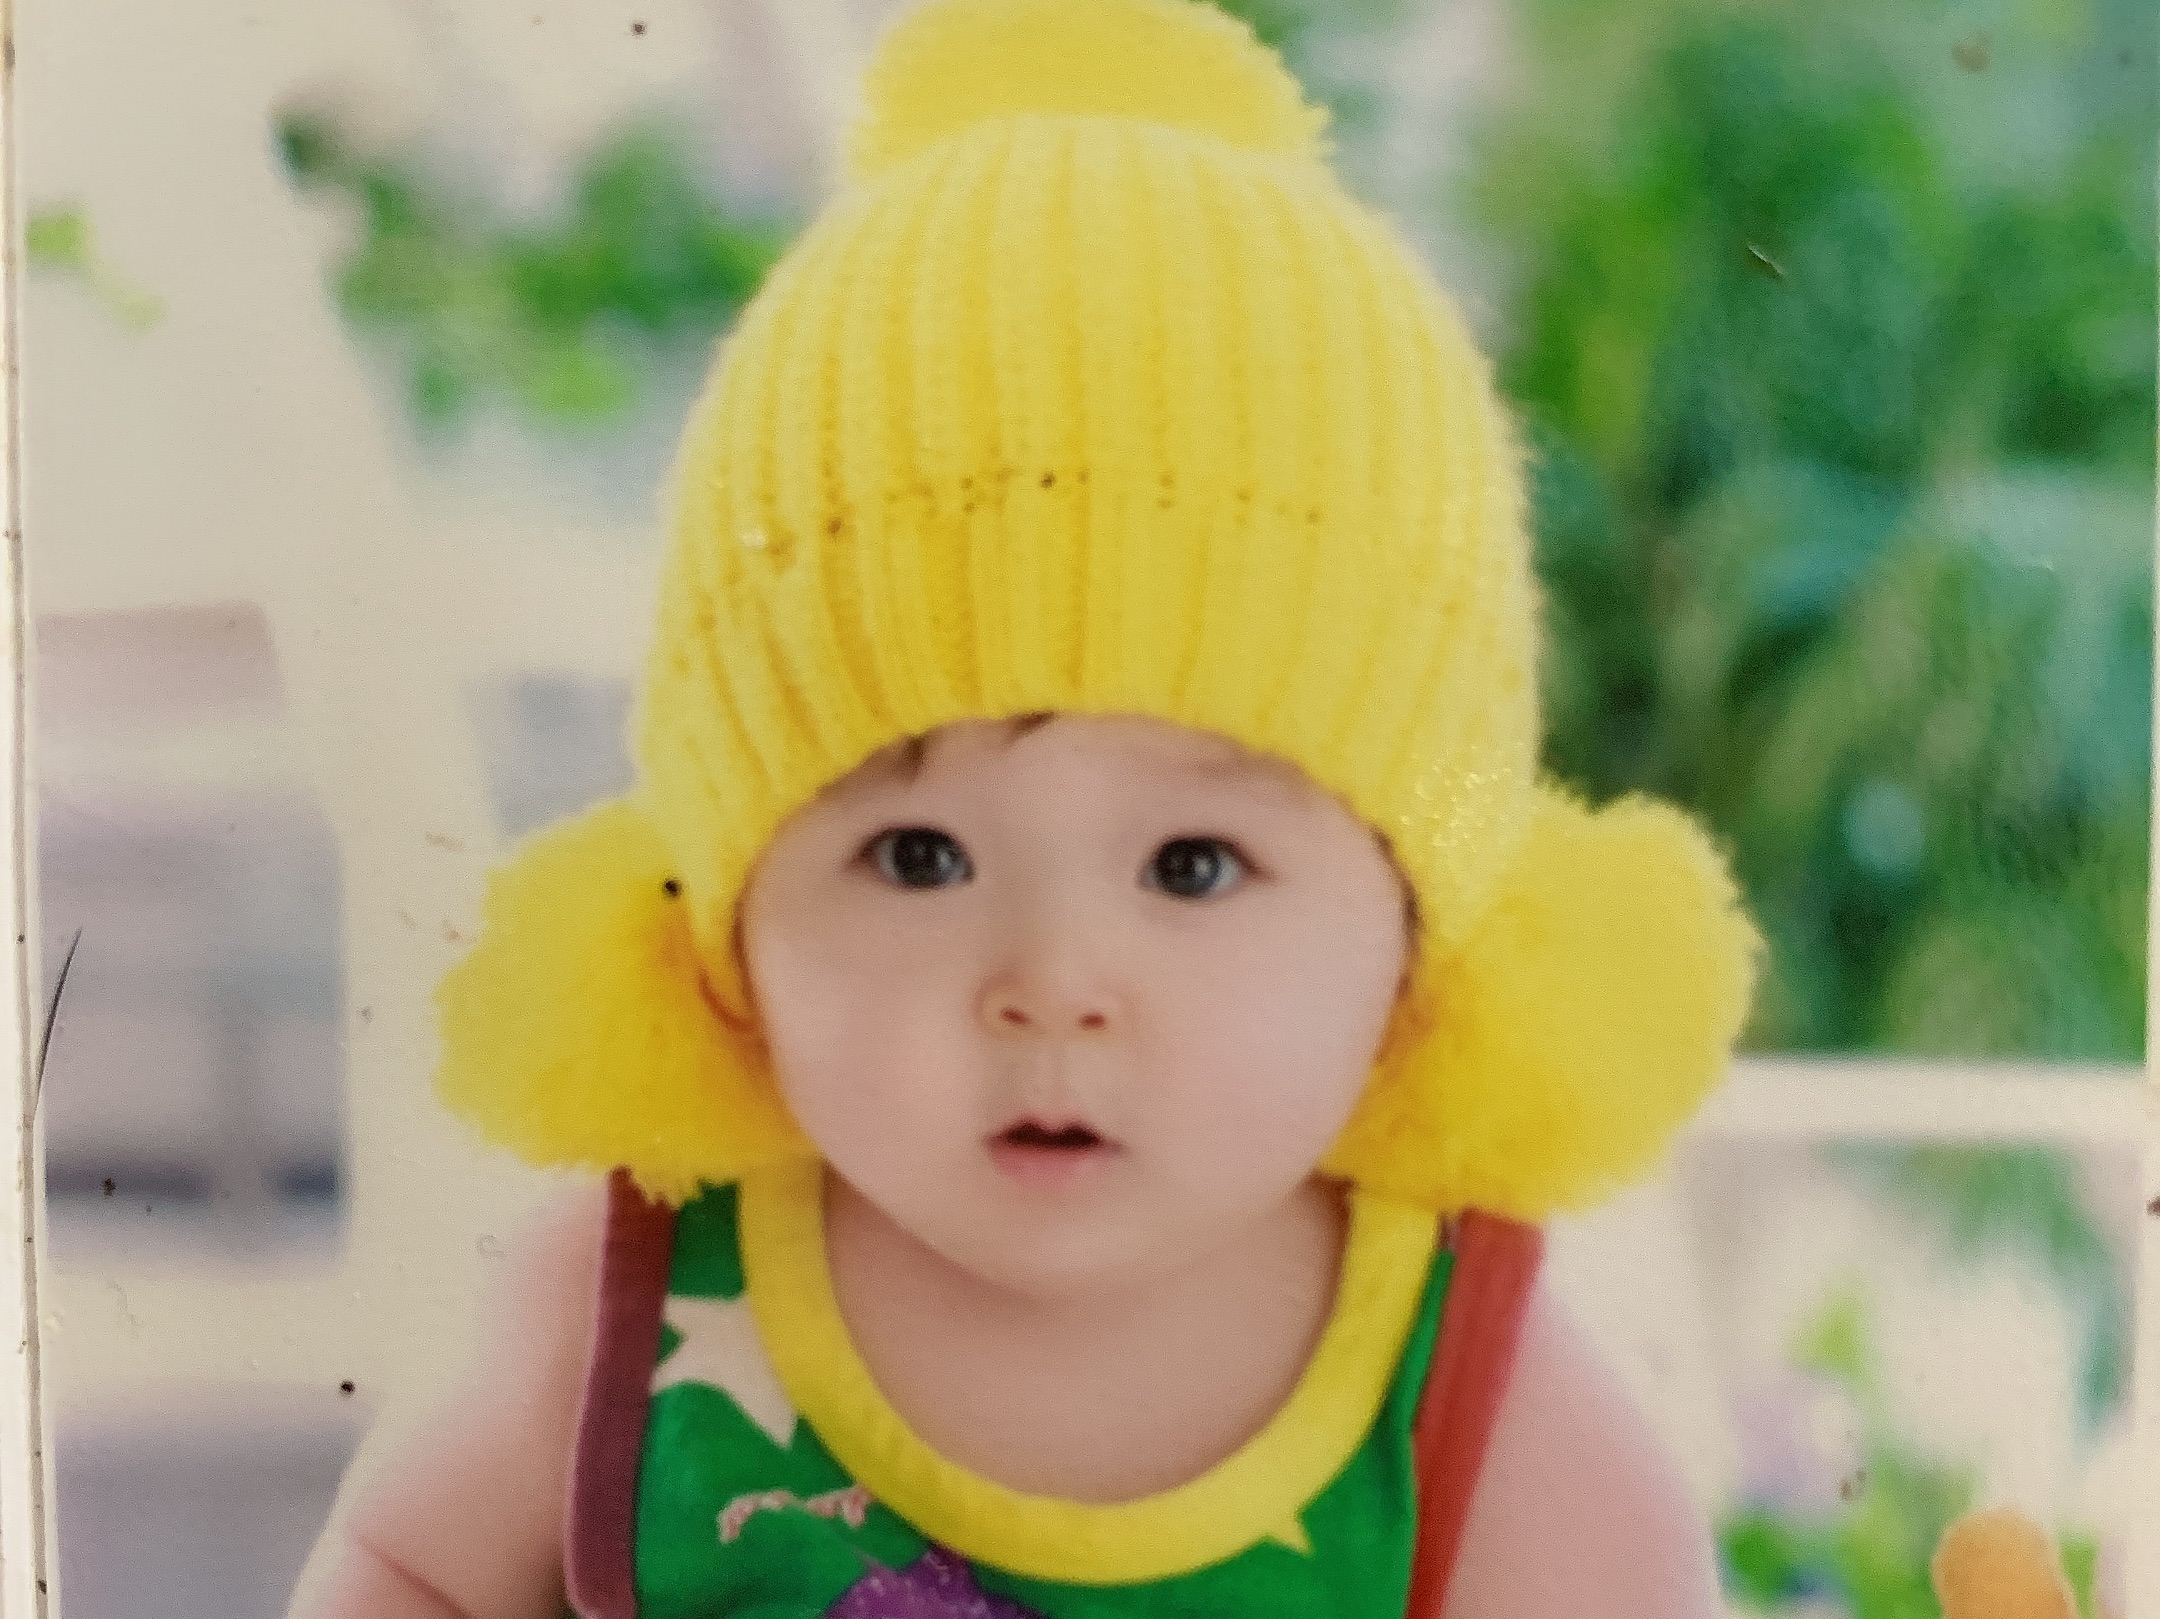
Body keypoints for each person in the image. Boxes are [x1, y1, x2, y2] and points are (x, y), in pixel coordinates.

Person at [294, 0, 1761, 1614]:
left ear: (1418, 937)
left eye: (1193, 866)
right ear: (724, 919)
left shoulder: (1463, 1392)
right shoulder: (627, 1310)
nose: (1052, 982)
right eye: (917, 856)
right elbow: (408, 1569)